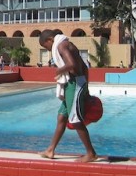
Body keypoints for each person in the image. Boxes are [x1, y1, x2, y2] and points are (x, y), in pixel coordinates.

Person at [38, 29, 98, 162]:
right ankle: (50, 150)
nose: (48, 50)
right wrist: (86, 86)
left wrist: (59, 70)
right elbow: (84, 67)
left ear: (50, 40)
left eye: (46, 47)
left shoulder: (61, 46)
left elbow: (72, 64)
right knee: (61, 117)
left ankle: (91, 153)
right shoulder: (67, 44)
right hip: (74, 84)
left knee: (75, 120)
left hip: (75, 84)